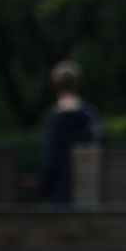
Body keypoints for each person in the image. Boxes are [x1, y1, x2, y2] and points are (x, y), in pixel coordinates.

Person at [37, 60, 101, 204]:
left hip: (59, 194)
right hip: (90, 194)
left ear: (55, 87)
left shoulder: (55, 119)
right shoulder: (90, 116)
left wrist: (42, 190)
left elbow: (49, 160)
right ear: (79, 84)